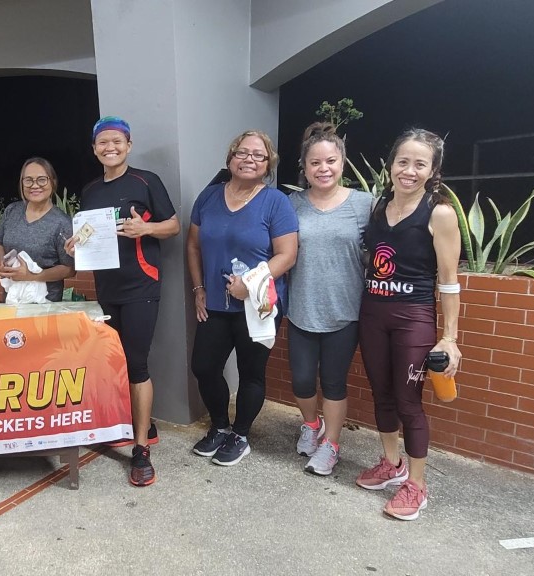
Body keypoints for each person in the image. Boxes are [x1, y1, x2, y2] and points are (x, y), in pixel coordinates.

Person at [355, 128, 462, 521]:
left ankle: (416, 485)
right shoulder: (379, 207)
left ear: (433, 170)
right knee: (381, 394)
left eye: (420, 164)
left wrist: (449, 338)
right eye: (403, 161)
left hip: (412, 318)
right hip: (373, 313)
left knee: (408, 402)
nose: (410, 171)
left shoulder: (440, 213)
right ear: (391, 164)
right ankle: (391, 464)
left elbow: (449, 282)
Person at [68, 116, 179, 487]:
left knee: (137, 362)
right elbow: (88, 233)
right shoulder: (90, 191)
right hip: (107, 288)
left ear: (128, 146)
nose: (109, 147)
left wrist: (145, 228)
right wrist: (75, 245)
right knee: (116, 361)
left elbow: (174, 225)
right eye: (102, 142)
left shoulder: (146, 181)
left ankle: (141, 447)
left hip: (141, 285)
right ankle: (141, 422)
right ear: (95, 148)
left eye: (116, 141)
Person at [186, 130, 298, 466]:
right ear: (230, 157)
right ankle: (220, 427)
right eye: (243, 152)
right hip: (217, 304)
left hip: (258, 305)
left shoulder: (276, 202)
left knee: (252, 373)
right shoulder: (208, 198)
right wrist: (198, 289)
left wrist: (250, 284)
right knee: (204, 367)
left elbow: (286, 255)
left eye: (259, 156)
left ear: (268, 164)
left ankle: (241, 434)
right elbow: (193, 246)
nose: (249, 159)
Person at [288, 122, 374, 476]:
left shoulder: (365, 204)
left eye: (331, 161)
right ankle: (311, 425)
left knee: (335, 382)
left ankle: (331, 444)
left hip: (345, 311)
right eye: (315, 163)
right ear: (304, 167)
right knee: (303, 380)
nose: (323, 169)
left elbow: (381, 254)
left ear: (342, 163)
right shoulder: (291, 204)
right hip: (301, 309)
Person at [0, 157, 74, 301]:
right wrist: (3, 262)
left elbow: (70, 269)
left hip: (44, 301)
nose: (35, 185)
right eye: (28, 180)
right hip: (12, 297)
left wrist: (32, 276)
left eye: (42, 179)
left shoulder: (62, 223)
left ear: (53, 182)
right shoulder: (12, 211)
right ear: (22, 183)